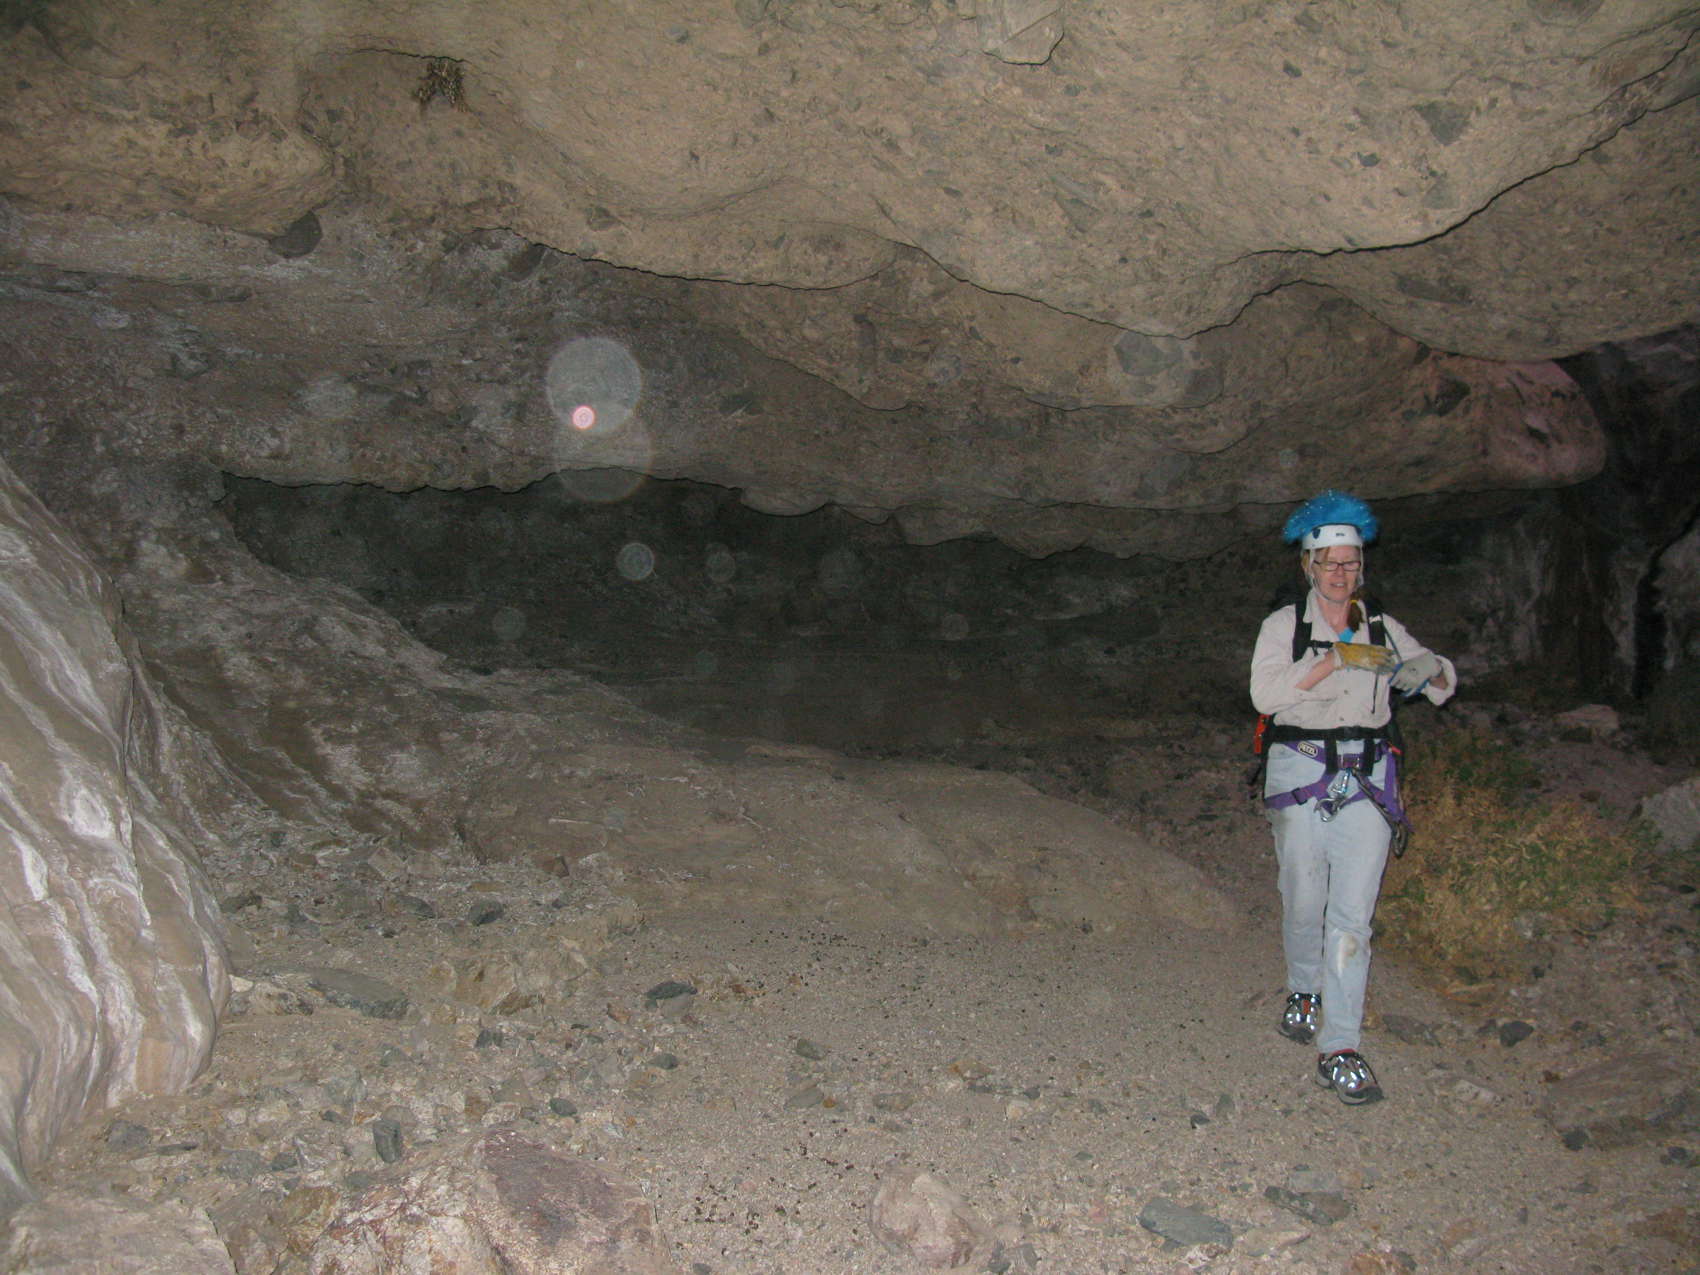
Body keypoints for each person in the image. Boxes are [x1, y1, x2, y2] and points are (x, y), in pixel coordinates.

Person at [1249, 490, 1456, 1104]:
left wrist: (1431, 669)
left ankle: (1340, 1047)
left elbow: (1439, 678)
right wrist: (1332, 661)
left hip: (1368, 774)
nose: (1340, 574)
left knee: (1351, 919)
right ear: (1308, 565)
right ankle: (1303, 987)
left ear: (1362, 565)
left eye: (1350, 562)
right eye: (1329, 563)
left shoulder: (1381, 626)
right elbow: (1265, 696)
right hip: (1301, 770)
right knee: (1303, 897)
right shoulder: (1284, 627)